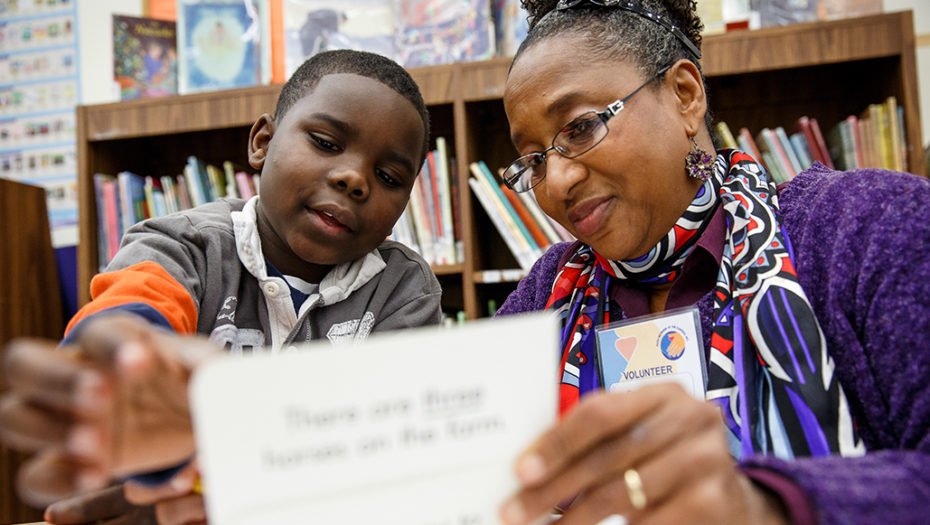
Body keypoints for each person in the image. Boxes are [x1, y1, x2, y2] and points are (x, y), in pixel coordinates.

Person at [492, 0, 930, 524]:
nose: (556, 182)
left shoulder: (865, 226)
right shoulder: (547, 297)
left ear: (685, 95)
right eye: (535, 161)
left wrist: (766, 506)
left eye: (580, 128)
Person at [0, 48, 441, 524]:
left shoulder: (405, 290)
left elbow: (397, 452)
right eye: (326, 143)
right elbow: (130, 312)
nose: (354, 178)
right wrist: (131, 364)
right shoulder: (181, 245)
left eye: (389, 176)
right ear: (262, 142)